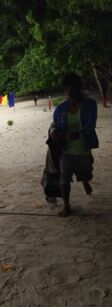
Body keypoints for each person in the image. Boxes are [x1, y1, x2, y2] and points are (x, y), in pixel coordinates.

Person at [52, 73, 99, 217]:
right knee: (64, 177)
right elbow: (54, 124)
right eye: (67, 89)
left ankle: (85, 181)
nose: (70, 92)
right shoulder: (60, 108)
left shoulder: (90, 104)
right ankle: (67, 206)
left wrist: (77, 134)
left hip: (83, 147)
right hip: (66, 150)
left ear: (80, 88)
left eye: (73, 88)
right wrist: (55, 131)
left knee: (85, 172)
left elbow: (90, 125)